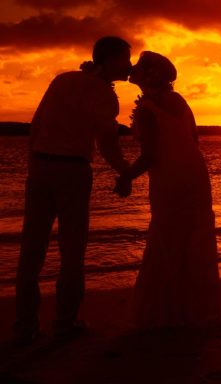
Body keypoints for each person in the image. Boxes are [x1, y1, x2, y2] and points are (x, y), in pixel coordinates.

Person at [14, 36, 132, 343]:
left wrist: (33, 164)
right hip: (73, 171)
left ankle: (25, 325)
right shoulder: (106, 97)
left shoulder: (63, 80)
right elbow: (108, 144)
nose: (130, 65)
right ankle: (65, 323)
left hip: (41, 166)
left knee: (31, 250)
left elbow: (36, 125)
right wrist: (126, 172)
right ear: (109, 59)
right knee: (72, 250)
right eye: (125, 59)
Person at [115, 51, 219, 328]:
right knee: (191, 236)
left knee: (167, 233)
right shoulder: (180, 101)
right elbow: (193, 140)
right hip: (194, 174)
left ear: (150, 75)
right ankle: (189, 309)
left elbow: (150, 155)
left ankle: (164, 313)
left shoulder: (148, 108)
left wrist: (126, 176)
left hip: (170, 177)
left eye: (138, 66)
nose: (132, 69)